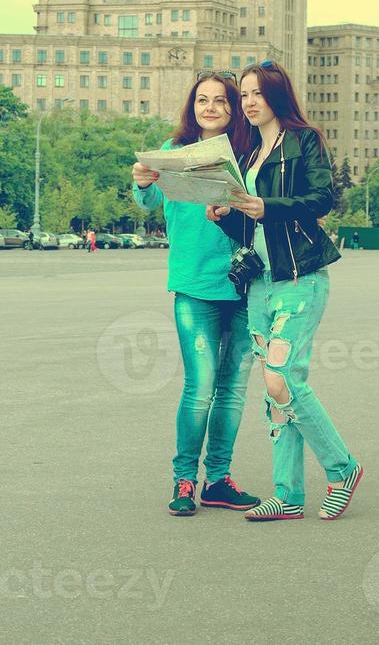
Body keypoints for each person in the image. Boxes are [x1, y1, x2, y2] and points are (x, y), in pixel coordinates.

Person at [208, 60, 362, 522]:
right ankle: (288, 494)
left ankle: (343, 468)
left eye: (257, 93)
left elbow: (322, 200)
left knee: (281, 378)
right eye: (245, 96)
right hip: (260, 283)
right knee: (274, 390)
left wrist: (264, 205)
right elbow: (248, 225)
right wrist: (226, 216)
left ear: (276, 95)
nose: (249, 103)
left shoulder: (303, 139)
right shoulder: (249, 153)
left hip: (300, 277)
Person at [132, 70, 261, 517]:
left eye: (221, 101)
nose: (211, 107)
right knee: (200, 387)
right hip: (193, 285)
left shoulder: (249, 153)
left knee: (233, 389)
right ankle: (185, 480)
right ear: (192, 106)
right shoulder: (172, 152)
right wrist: (143, 181)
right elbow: (147, 203)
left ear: (233, 109)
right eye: (203, 99)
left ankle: (219, 480)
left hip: (246, 283)